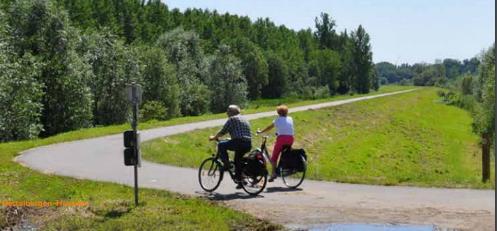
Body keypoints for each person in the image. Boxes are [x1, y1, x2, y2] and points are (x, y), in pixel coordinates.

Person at [209, 105, 252, 189]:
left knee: (221, 145)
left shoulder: (232, 119)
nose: (226, 113)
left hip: (238, 142)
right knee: (237, 161)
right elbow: (240, 133)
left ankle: (226, 164)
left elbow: (223, 131)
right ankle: (240, 181)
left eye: (228, 111)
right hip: (247, 144)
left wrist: (214, 137)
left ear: (233, 112)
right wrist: (230, 139)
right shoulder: (244, 119)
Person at [257, 105, 294, 182]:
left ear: (278, 113)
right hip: (291, 138)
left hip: (282, 139)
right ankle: (284, 167)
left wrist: (261, 132)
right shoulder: (290, 118)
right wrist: (278, 133)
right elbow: (286, 127)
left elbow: (269, 127)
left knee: (274, 156)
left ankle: (273, 174)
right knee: (286, 153)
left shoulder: (277, 120)